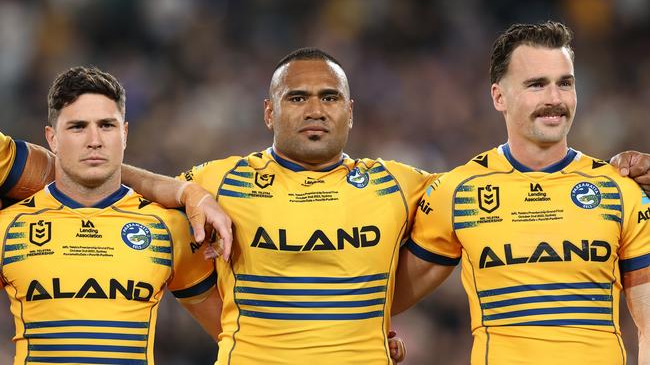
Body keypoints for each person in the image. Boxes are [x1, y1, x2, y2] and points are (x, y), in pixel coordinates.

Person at [170, 47, 650, 364]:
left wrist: (620, 171)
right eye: (297, 98)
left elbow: (513, 187)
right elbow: (124, 194)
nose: (315, 109)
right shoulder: (219, 179)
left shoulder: (403, 185)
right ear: (270, 112)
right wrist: (186, 194)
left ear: (350, 112)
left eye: (329, 97)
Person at [393, 21, 650, 364]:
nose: (554, 99)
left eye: (565, 83)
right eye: (536, 85)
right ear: (499, 96)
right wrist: (372, 342)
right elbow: (381, 300)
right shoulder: (459, 192)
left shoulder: (620, 190)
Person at [0, 66, 221, 364]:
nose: (95, 140)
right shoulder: (8, 227)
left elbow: (235, 335)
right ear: (51, 138)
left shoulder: (170, 228)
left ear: (125, 133)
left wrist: (187, 192)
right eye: (77, 127)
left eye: (106, 125)